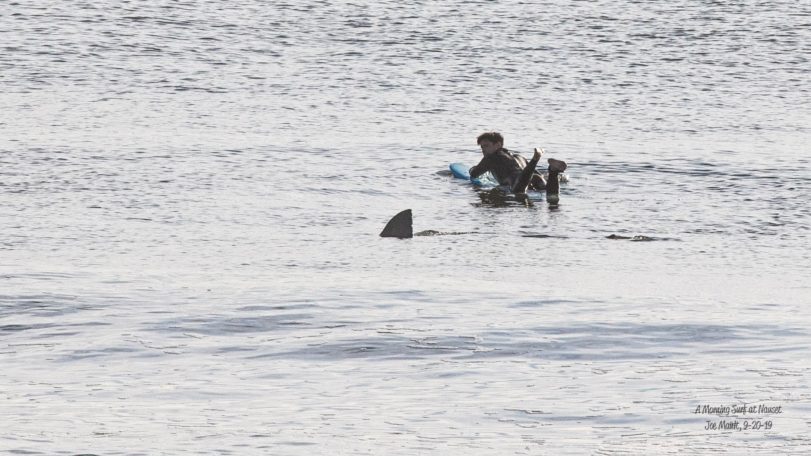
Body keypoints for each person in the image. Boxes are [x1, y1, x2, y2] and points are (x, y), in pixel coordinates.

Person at [469, 131, 567, 195]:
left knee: (518, 191)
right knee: (551, 195)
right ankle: (553, 171)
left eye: (486, 146)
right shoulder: (519, 157)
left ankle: (535, 159)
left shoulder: (490, 158)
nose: (483, 150)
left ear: (498, 145)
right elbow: (537, 174)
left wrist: (472, 169)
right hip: (535, 177)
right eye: (482, 147)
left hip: (518, 182)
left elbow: (474, 174)